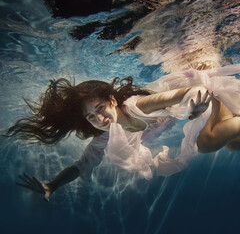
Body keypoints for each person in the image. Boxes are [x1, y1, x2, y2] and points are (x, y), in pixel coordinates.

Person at [6, 64, 240, 201]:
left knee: (207, 143)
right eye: (90, 117)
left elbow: (194, 90)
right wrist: (53, 185)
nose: (99, 119)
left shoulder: (137, 106)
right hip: (203, 111)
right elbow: (82, 165)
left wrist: (193, 107)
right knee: (233, 144)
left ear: (112, 100)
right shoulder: (107, 135)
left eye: (100, 109)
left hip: (204, 99)